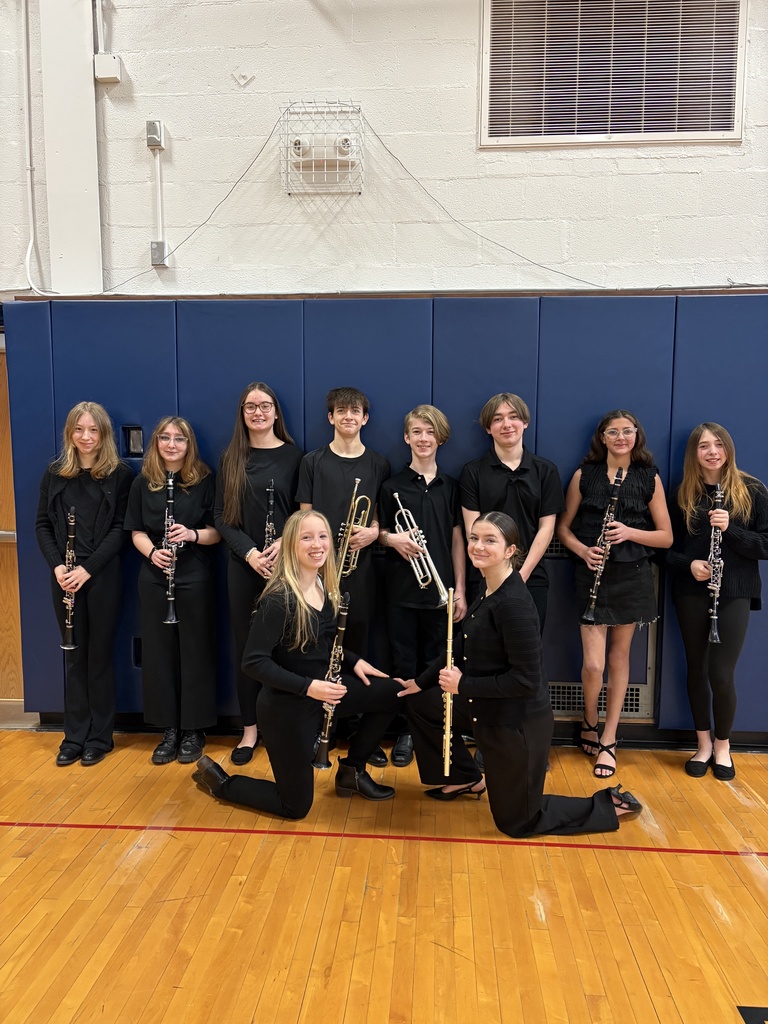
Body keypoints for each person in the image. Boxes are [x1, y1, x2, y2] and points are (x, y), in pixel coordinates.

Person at [400, 512, 642, 838]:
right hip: (486, 708)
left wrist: (463, 685)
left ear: (510, 551)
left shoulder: (513, 604)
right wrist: (422, 681)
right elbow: (458, 646)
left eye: (490, 541)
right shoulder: (489, 589)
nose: (478, 546)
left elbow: (526, 680)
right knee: (421, 702)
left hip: (517, 725)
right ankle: (464, 778)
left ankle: (609, 803)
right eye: (474, 538)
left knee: (517, 822)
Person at [191, 510, 404, 819]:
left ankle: (352, 771)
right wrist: (310, 688)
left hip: (323, 693)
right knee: (295, 806)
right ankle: (222, 783)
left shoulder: (325, 585)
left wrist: (354, 661)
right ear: (291, 545)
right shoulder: (278, 599)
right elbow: (253, 663)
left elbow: (326, 643)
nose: (316, 545)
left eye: (322, 536)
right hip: (286, 707)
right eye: (307, 537)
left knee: (393, 691)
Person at [557, 410, 673, 778]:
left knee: (619, 659)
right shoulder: (583, 475)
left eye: (628, 431)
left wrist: (629, 533)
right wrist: (582, 550)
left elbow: (666, 536)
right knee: (594, 664)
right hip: (591, 571)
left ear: (637, 435)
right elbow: (563, 527)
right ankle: (589, 720)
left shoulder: (648, 477)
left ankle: (609, 737)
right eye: (613, 432)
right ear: (602, 438)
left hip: (632, 575)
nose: (621, 437)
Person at [667, 423, 768, 781]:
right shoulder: (682, 494)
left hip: (735, 591)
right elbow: (665, 549)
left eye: (718, 444)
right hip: (692, 592)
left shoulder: (752, 490)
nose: (712, 451)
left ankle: (723, 746)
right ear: (693, 453)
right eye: (703, 446)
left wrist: (731, 530)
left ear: (728, 448)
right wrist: (688, 564)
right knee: (696, 669)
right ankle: (703, 744)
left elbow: (766, 545)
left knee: (721, 674)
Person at [36, 401, 133, 767]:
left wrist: (87, 569)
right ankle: (73, 736)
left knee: (99, 657)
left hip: (101, 575)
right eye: (79, 430)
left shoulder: (118, 475)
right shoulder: (55, 473)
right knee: (73, 656)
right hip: (64, 577)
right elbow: (42, 525)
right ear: (70, 433)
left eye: (93, 430)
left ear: (104, 434)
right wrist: (59, 566)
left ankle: (99, 737)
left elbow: (120, 529)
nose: (86, 437)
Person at [214, 382, 304, 765]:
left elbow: (303, 511)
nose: (258, 412)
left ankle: (284, 727)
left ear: (276, 412)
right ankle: (249, 730)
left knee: (286, 648)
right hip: (245, 567)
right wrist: (250, 553)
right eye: (250, 406)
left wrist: (285, 542)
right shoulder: (232, 457)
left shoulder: (295, 456)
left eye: (265, 406)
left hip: (286, 568)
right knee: (247, 650)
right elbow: (220, 517)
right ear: (242, 413)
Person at [125, 417, 220, 765]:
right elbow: (134, 530)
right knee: (159, 653)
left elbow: (216, 532)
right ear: (156, 443)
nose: (171, 444)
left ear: (188, 444)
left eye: (179, 438)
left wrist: (191, 534)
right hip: (154, 575)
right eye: (164, 437)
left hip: (194, 574)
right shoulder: (142, 484)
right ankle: (169, 729)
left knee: (195, 651)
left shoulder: (205, 480)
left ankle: (194, 729)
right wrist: (153, 551)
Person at [377, 404, 466, 768]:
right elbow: (376, 532)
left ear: (440, 438)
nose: (423, 438)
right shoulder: (391, 486)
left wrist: (460, 588)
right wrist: (391, 540)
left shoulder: (452, 486)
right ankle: (405, 731)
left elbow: (458, 539)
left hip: (441, 591)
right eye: (416, 432)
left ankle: (431, 729)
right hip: (401, 591)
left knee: (436, 665)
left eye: (430, 432)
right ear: (406, 437)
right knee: (402, 663)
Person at [296, 387, 390, 657]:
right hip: (318, 565)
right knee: (316, 635)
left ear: (365, 419)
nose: (348, 416)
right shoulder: (311, 462)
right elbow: (304, 518)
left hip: (361, 566)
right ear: (330, 418)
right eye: (341, 411)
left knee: (358, 637)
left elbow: (378, 517)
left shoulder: (379, 464)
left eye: (355, 411)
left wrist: (373, 533)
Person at [460, 393, 564, 630]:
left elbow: (547, 529)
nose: (506, 424)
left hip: (531, 578)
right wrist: (494, 575)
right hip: (484, 577)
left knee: (527, 655)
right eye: (497, 419)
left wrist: (520, 575)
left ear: (525, 422)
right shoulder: (472, 472)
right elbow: (472, 530)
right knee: (484, 653)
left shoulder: (545, 471)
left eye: (513, 417)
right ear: (488, 428)